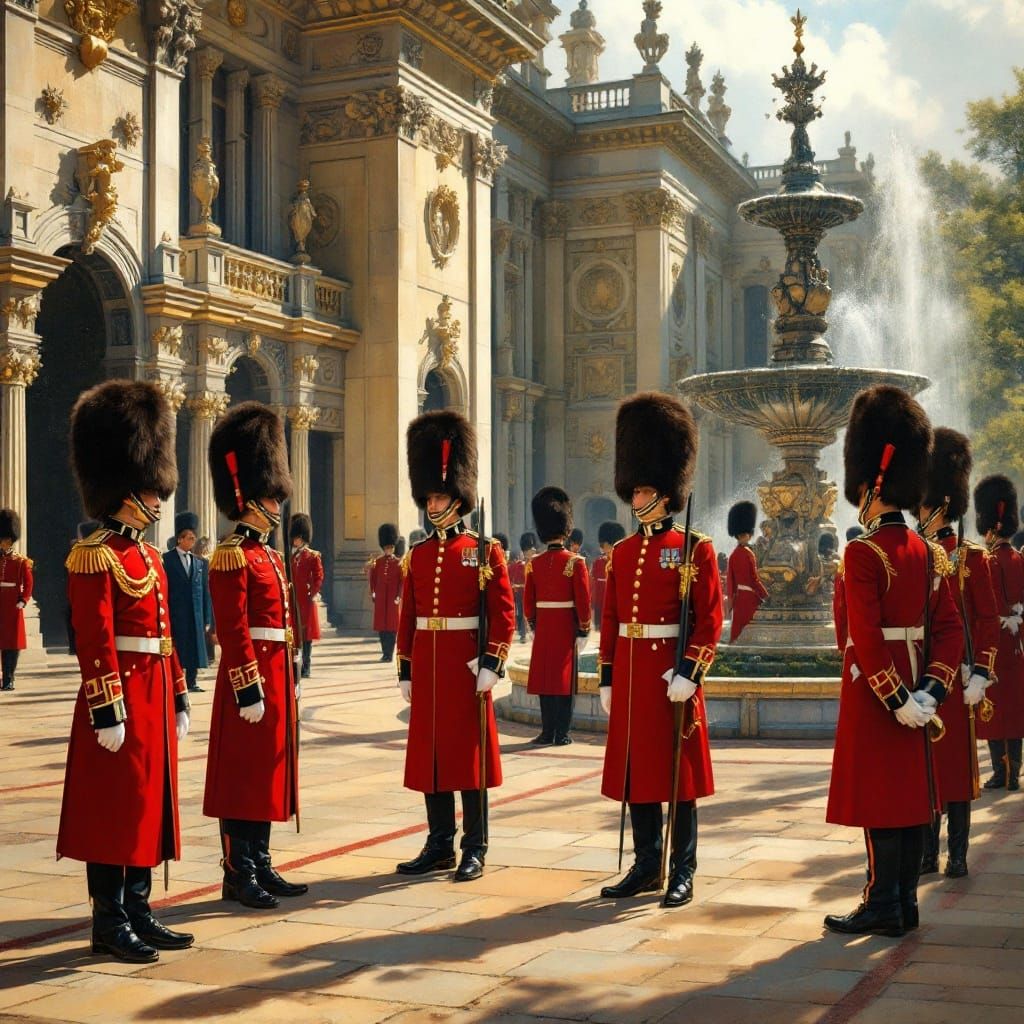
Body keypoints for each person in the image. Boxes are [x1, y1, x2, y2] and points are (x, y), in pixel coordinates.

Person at [56, 380, 192, 962]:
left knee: (147, 803)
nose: (160, 501)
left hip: (155, 695)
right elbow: (95, 640)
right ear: (125, 490)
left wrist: (180, 695)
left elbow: (165, 636)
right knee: (113, 808)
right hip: (120, 703)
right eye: (150, 490)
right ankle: (108, 920)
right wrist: (107, 706)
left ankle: (137, 907)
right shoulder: (96, 555)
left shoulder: (148, 556)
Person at [824, 385, 962, 937]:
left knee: (881, 800)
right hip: (916, 691)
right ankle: (904, 902)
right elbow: (948, 628)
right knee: (910, 797)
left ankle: (883, 902)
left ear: (871, 485)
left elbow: (864, 636)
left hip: (876, 693)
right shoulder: (930, 552)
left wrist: (895, 697)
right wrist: (931, 689)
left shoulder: (864, 552)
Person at [599, 393, 722, 909]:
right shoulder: (624, 552)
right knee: (638, 773)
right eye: (635, 488)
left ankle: (682, 869)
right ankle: (647, 862)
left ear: (668, 493)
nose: (637, 497)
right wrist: (607, 676)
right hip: (631, 675)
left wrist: (690, 672)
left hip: (671, 676)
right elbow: (611, 619)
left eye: (647, 488)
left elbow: (709, 617)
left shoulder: (696, 548)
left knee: (679, 776)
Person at [395, 410, 515, 883]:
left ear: (458, 499)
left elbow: (503, 612)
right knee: (432, 757)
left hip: (466, 668)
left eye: (440, 495)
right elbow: (410, 614)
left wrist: (492, 661)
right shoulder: (419, 554)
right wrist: (405, 667)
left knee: (469, 760)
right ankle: (439, 841)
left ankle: (475, 845)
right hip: (428, 664)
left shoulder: (485, 551)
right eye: (428, 496)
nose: (432, 503)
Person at [204, 402, 306, 910]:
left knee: (266, 772)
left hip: (276, 675)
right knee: (241, 777)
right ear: (248, 497)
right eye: (270, 495)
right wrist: (248, 684)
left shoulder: (267, 553)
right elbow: (234, 627)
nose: (277, 504)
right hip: (251, 681)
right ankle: (236, 869)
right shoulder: (232, 554)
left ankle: (261, 862)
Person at [916, 429, 1000, 877]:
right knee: (927, 768)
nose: (918, 513)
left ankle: (959, 854)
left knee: (958, 774)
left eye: (924, 507)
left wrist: (981, 674)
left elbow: (986, 620)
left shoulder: (972, 558)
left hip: (960, 676)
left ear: (941, 507)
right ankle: (928, 851)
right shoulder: (915, 555)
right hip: (923, 677)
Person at [524, 487, 591, 747]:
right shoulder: (575, 562)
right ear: (566, 530)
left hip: (543, 629)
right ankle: (561, 733)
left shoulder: (535, 563)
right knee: (564, 684)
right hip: (565, 627)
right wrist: (583, 628)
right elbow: (583, 602)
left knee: (544, 681)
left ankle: (546, 731)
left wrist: (532, 624)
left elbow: (529, 601)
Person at [973, 475, 1024, 790]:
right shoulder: (1020, 560)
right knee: (1016, 706)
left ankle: (1000, 771)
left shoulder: (987, 562)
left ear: (990, 528)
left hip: (993, 644)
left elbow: (983, 609)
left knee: (993, 707)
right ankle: (1014, 772)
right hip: (1018, 643)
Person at [162, 511, 213, 693]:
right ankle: (176, 680)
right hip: (177, 611)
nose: (192, 541)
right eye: (189, 538)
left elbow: (205, 592)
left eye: (193, 537)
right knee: (178, 648)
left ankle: (192, 681)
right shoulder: (167, 560)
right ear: (180, 539)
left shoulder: (200, 563)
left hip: (196, 612)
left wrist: (207, 618)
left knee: (194, 647)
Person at [726, 501, 769, 644]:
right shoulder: (748, 554)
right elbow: (754, 579)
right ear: (747, 535)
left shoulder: (733, 555)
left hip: (739, 599)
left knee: (737, 633)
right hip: (750, 598)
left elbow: (730, 582)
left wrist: (731, 602)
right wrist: (765, 595)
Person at [0, 509, 33, 692]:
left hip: (12, 606)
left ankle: (9, 679)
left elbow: (28, 584)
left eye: (6, 539)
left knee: (11, 646)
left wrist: (23, 600)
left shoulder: (21, 561)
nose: (3, 543)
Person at [290, 513, 324, 677]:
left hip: (306, 599)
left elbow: (319, 576)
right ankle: (296, 665)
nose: (295, 541)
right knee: (295, 635)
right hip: (294, 599)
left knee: (307, 636)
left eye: (297, 538)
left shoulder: (312, 555)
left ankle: (307, 666)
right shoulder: (290, 555)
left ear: (303, 538)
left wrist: (314, 593)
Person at [368, 523, 401, 662]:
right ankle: (384, 652)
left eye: (391, 547)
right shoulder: (378, 562)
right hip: (381, 598)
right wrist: (373, 592)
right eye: (387, 547)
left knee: (392, 627)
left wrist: (399, 596)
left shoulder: (399, 563)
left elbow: (402, 582)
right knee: (382, 627)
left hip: (393, 598)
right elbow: (373, 578)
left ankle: (390, 653)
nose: (389, 550)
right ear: (384, 548)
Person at [591, 521, 625, 625]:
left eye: (602, 544)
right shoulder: (600, 562)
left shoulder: (622, 563)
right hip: (603, 608)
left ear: (606, 544)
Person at [508, 534, 535, 643]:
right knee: (523, 614)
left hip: (526, 592)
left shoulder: (531, 563)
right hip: (521, 593)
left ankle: (526, 632)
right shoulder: (521, 565)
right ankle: (524, 634)